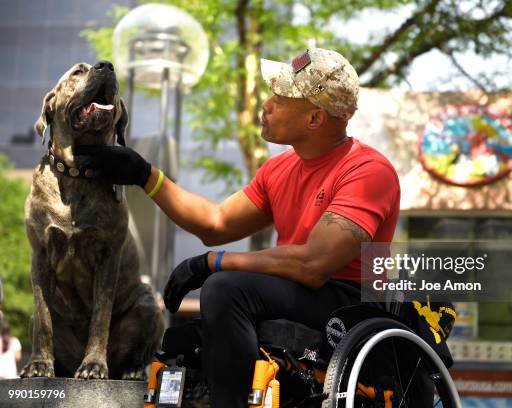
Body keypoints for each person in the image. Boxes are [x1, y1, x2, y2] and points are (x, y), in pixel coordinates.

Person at [74, 47, 400, 407]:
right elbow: (216, 223)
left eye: (280, 97)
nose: (267, 104)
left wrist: (213, 262)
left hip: (348, 303)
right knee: (191, 335)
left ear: (314, 118)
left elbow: (313, 265)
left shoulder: (368, 172)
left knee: (227, 288)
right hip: (295, 290)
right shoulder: (279, 170)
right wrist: (144, 175)